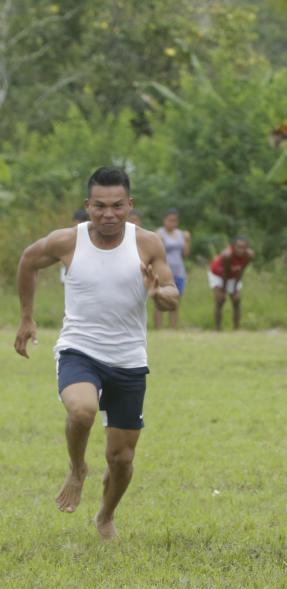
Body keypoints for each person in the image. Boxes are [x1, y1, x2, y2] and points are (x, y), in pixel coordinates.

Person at [14, 166, 179, 541]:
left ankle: (105, 517)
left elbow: (171, 295)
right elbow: (27, 260)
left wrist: (158, 294)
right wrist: (26, 318)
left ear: (129, 205)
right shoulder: (67, 241)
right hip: (80, 349)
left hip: (129, 359)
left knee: (121, 459)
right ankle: (76, 469)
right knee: (82, 410)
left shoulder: (147, 243)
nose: (109, 214)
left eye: (117, 206)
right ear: (88, 206)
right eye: (100, 206)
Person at [155, 208, 191, 329]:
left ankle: (173, 328)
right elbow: (156, 253)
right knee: (160, 300)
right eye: (170, 220)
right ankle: (159, 328)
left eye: (175, 221)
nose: (172, 223)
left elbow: (185, 254)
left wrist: (187, 240)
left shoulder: (181, 234)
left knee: (175, 301)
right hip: (163, 271)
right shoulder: (159, 233)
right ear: (164, 220)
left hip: (179, 271)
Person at [208, 236, 253, 331]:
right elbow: (225, 274)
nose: (241, 250)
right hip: (218, 274)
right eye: (238, 247)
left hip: (233, 275)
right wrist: (223, 290)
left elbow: (241, 271)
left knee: (236, 299)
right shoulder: (227, 255)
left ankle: (236, 329)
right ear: (233, 247)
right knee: (220, 299)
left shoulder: (249, 255)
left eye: (243, 248)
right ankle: (218, 329)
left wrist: (235, 287)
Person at [60, 209, 90, 284]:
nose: (81, 223)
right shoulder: (68, 237)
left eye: (84, 221)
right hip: (70, 270)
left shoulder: (92, 236)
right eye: (79, 221)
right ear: (74, 222)